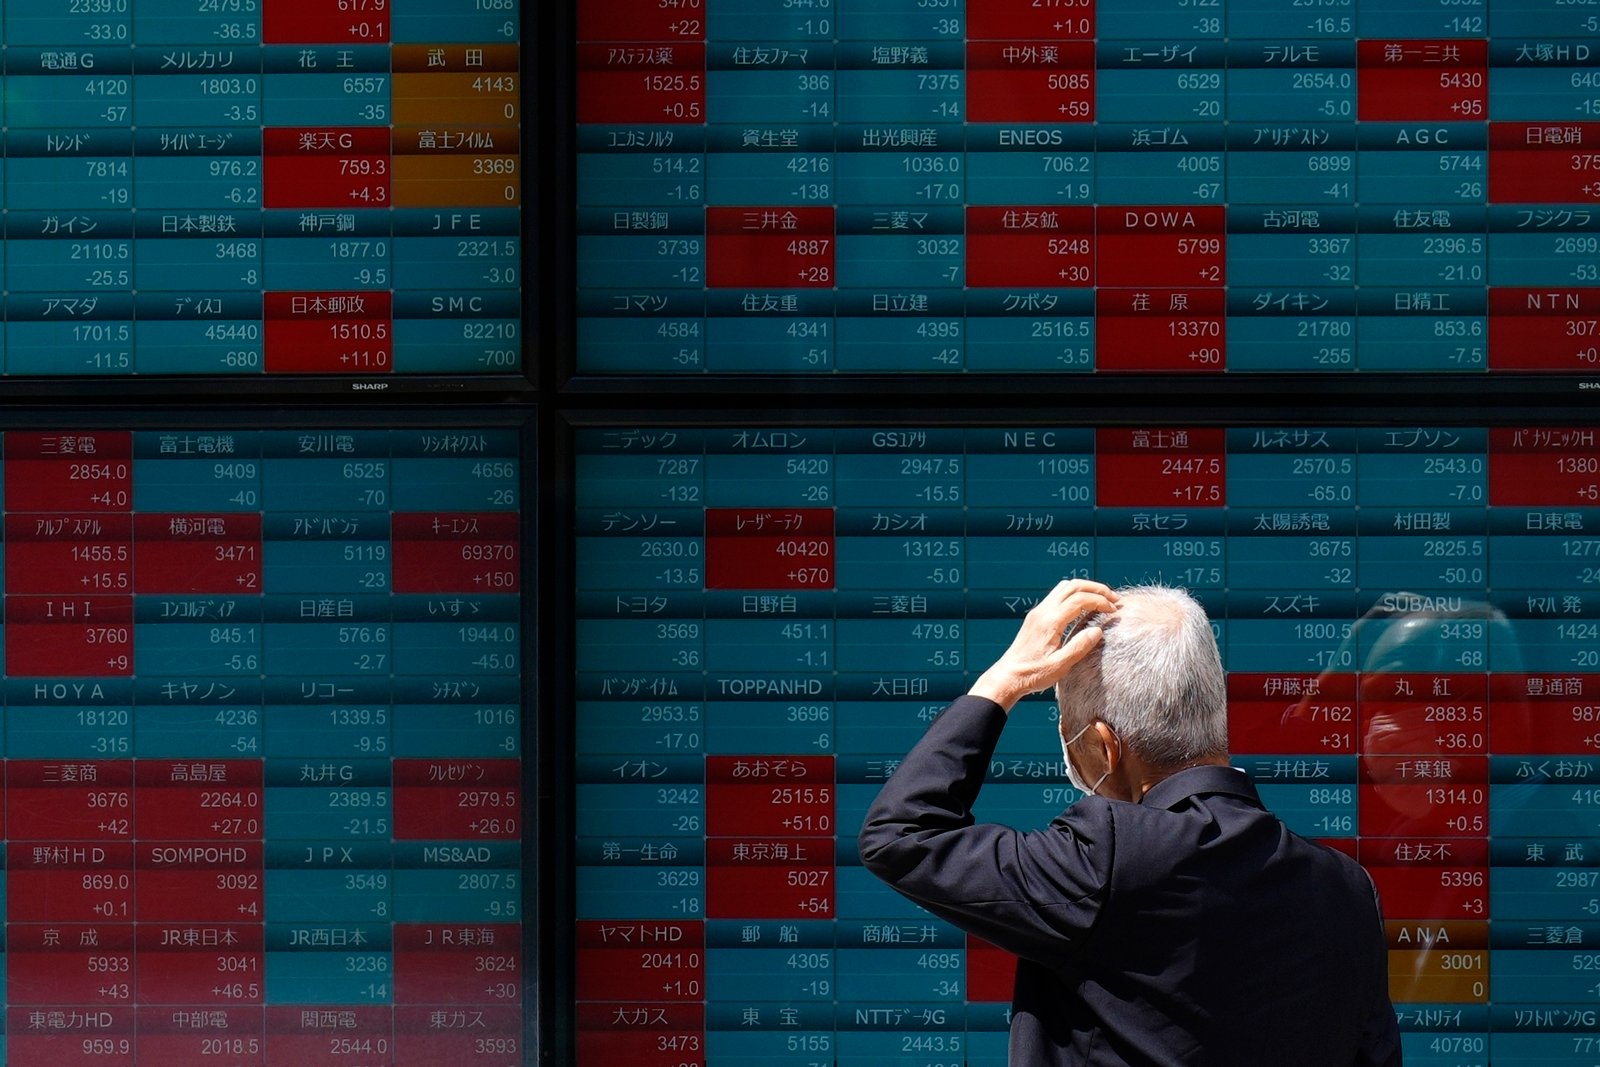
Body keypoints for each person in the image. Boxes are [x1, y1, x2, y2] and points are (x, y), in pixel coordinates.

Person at [858, 579, 1402, 1066]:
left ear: (1104, 745)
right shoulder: (1348, 890)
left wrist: (1002, 684)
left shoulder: (1108, 857)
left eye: (1067, 732)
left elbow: (901, 834)